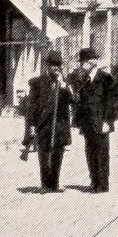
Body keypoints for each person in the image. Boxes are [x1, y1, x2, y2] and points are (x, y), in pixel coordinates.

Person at [23, 49, 74, 191]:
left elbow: (74, 100)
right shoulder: (37, 83)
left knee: (58, 154)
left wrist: (63, 86)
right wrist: (31, 125)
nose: (55, 68)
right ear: (47, 66)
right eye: (52, 65)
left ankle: (54, 184)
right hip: (43, 124)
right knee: (44, 154)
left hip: (60, 124)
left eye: (58, 65)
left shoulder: (65, 83)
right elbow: (32, 106)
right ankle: (45, 184)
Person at [69, 47, 116, 193]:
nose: (81, 66)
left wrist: (108, 121)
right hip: (87, 122)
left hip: (101, 122)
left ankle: (103, 184)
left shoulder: (106, 78)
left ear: (90, 62)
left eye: (82, 62)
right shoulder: (83, 79)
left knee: (102, 152)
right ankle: (94, 182)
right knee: (90, 151)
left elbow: (111, 101)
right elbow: (80, 100)